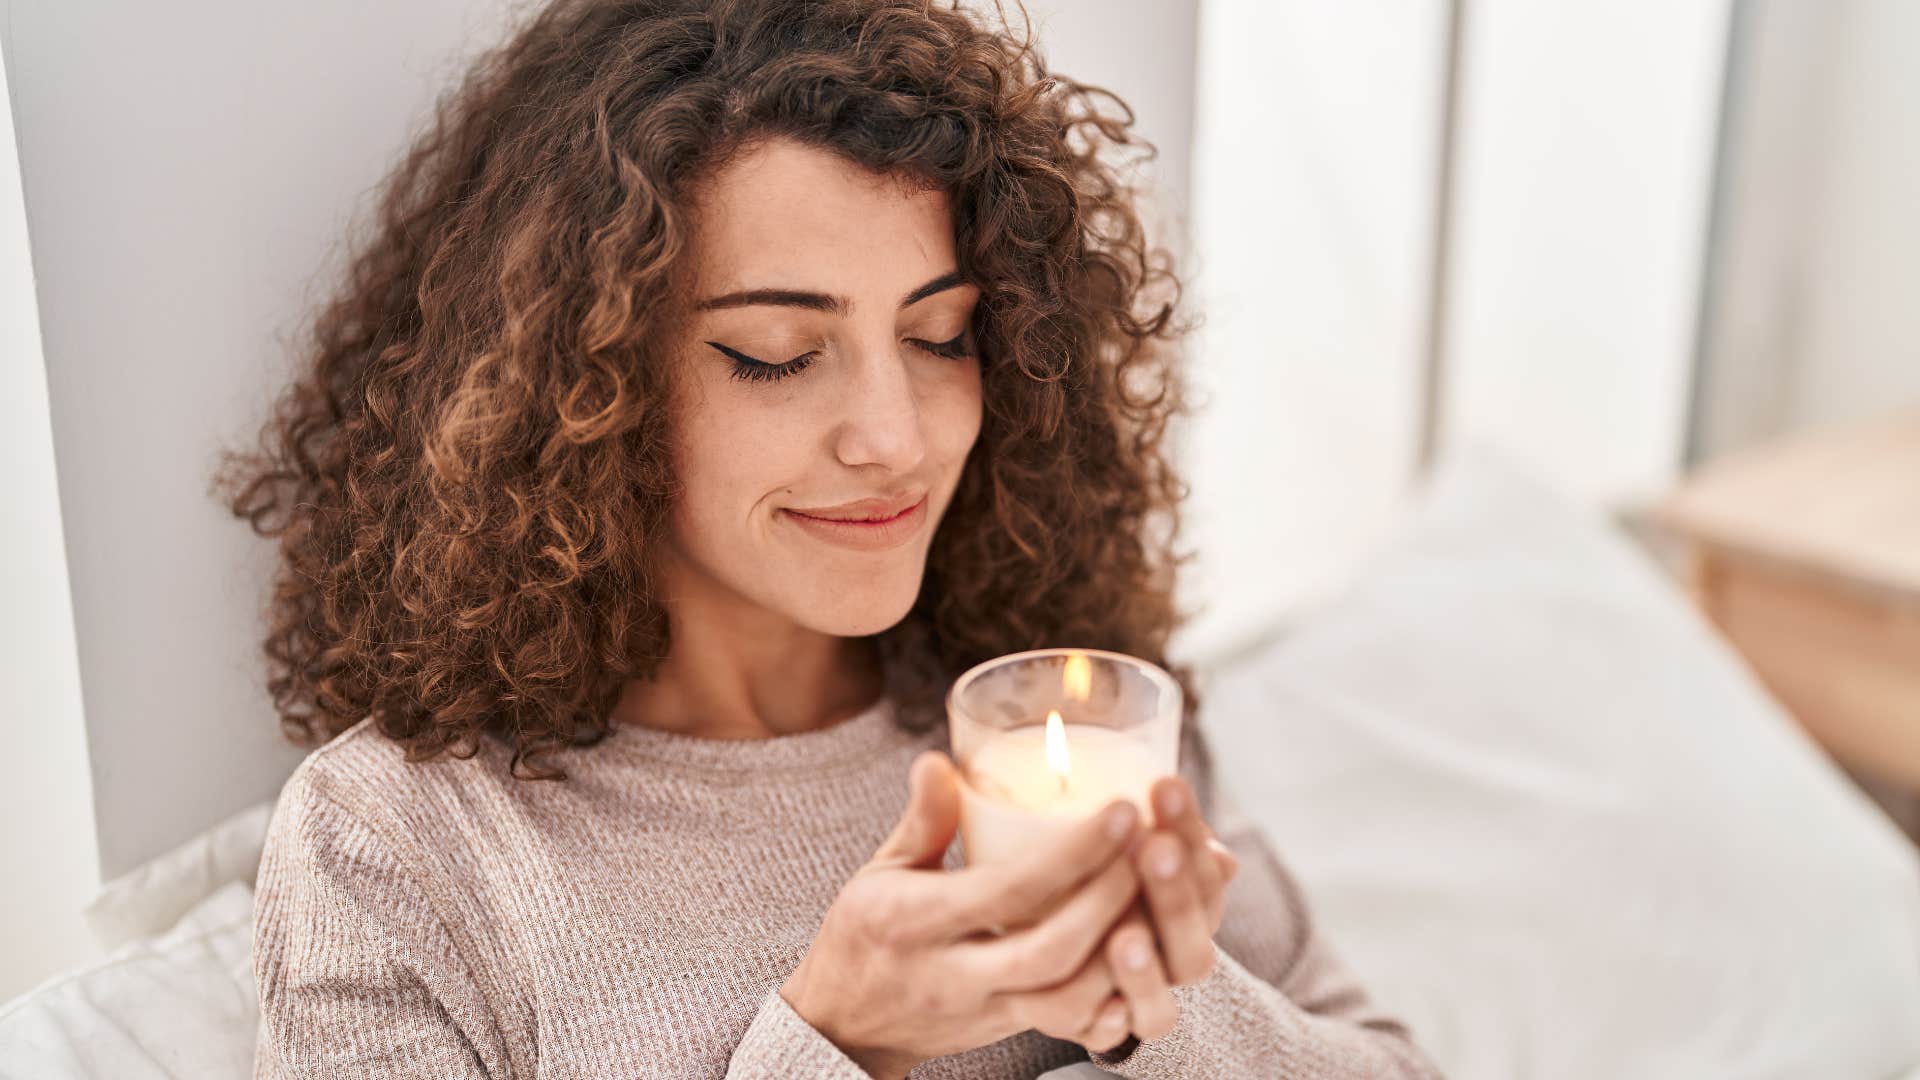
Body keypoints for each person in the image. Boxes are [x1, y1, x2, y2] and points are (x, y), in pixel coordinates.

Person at [222, 0, 1445, 1076]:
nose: (895, 439)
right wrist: (837, 1040)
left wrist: (1155, 1010)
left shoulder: (1066, 726)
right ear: (583, 388)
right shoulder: (398, 848)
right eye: (779, 354)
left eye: (943, 334)